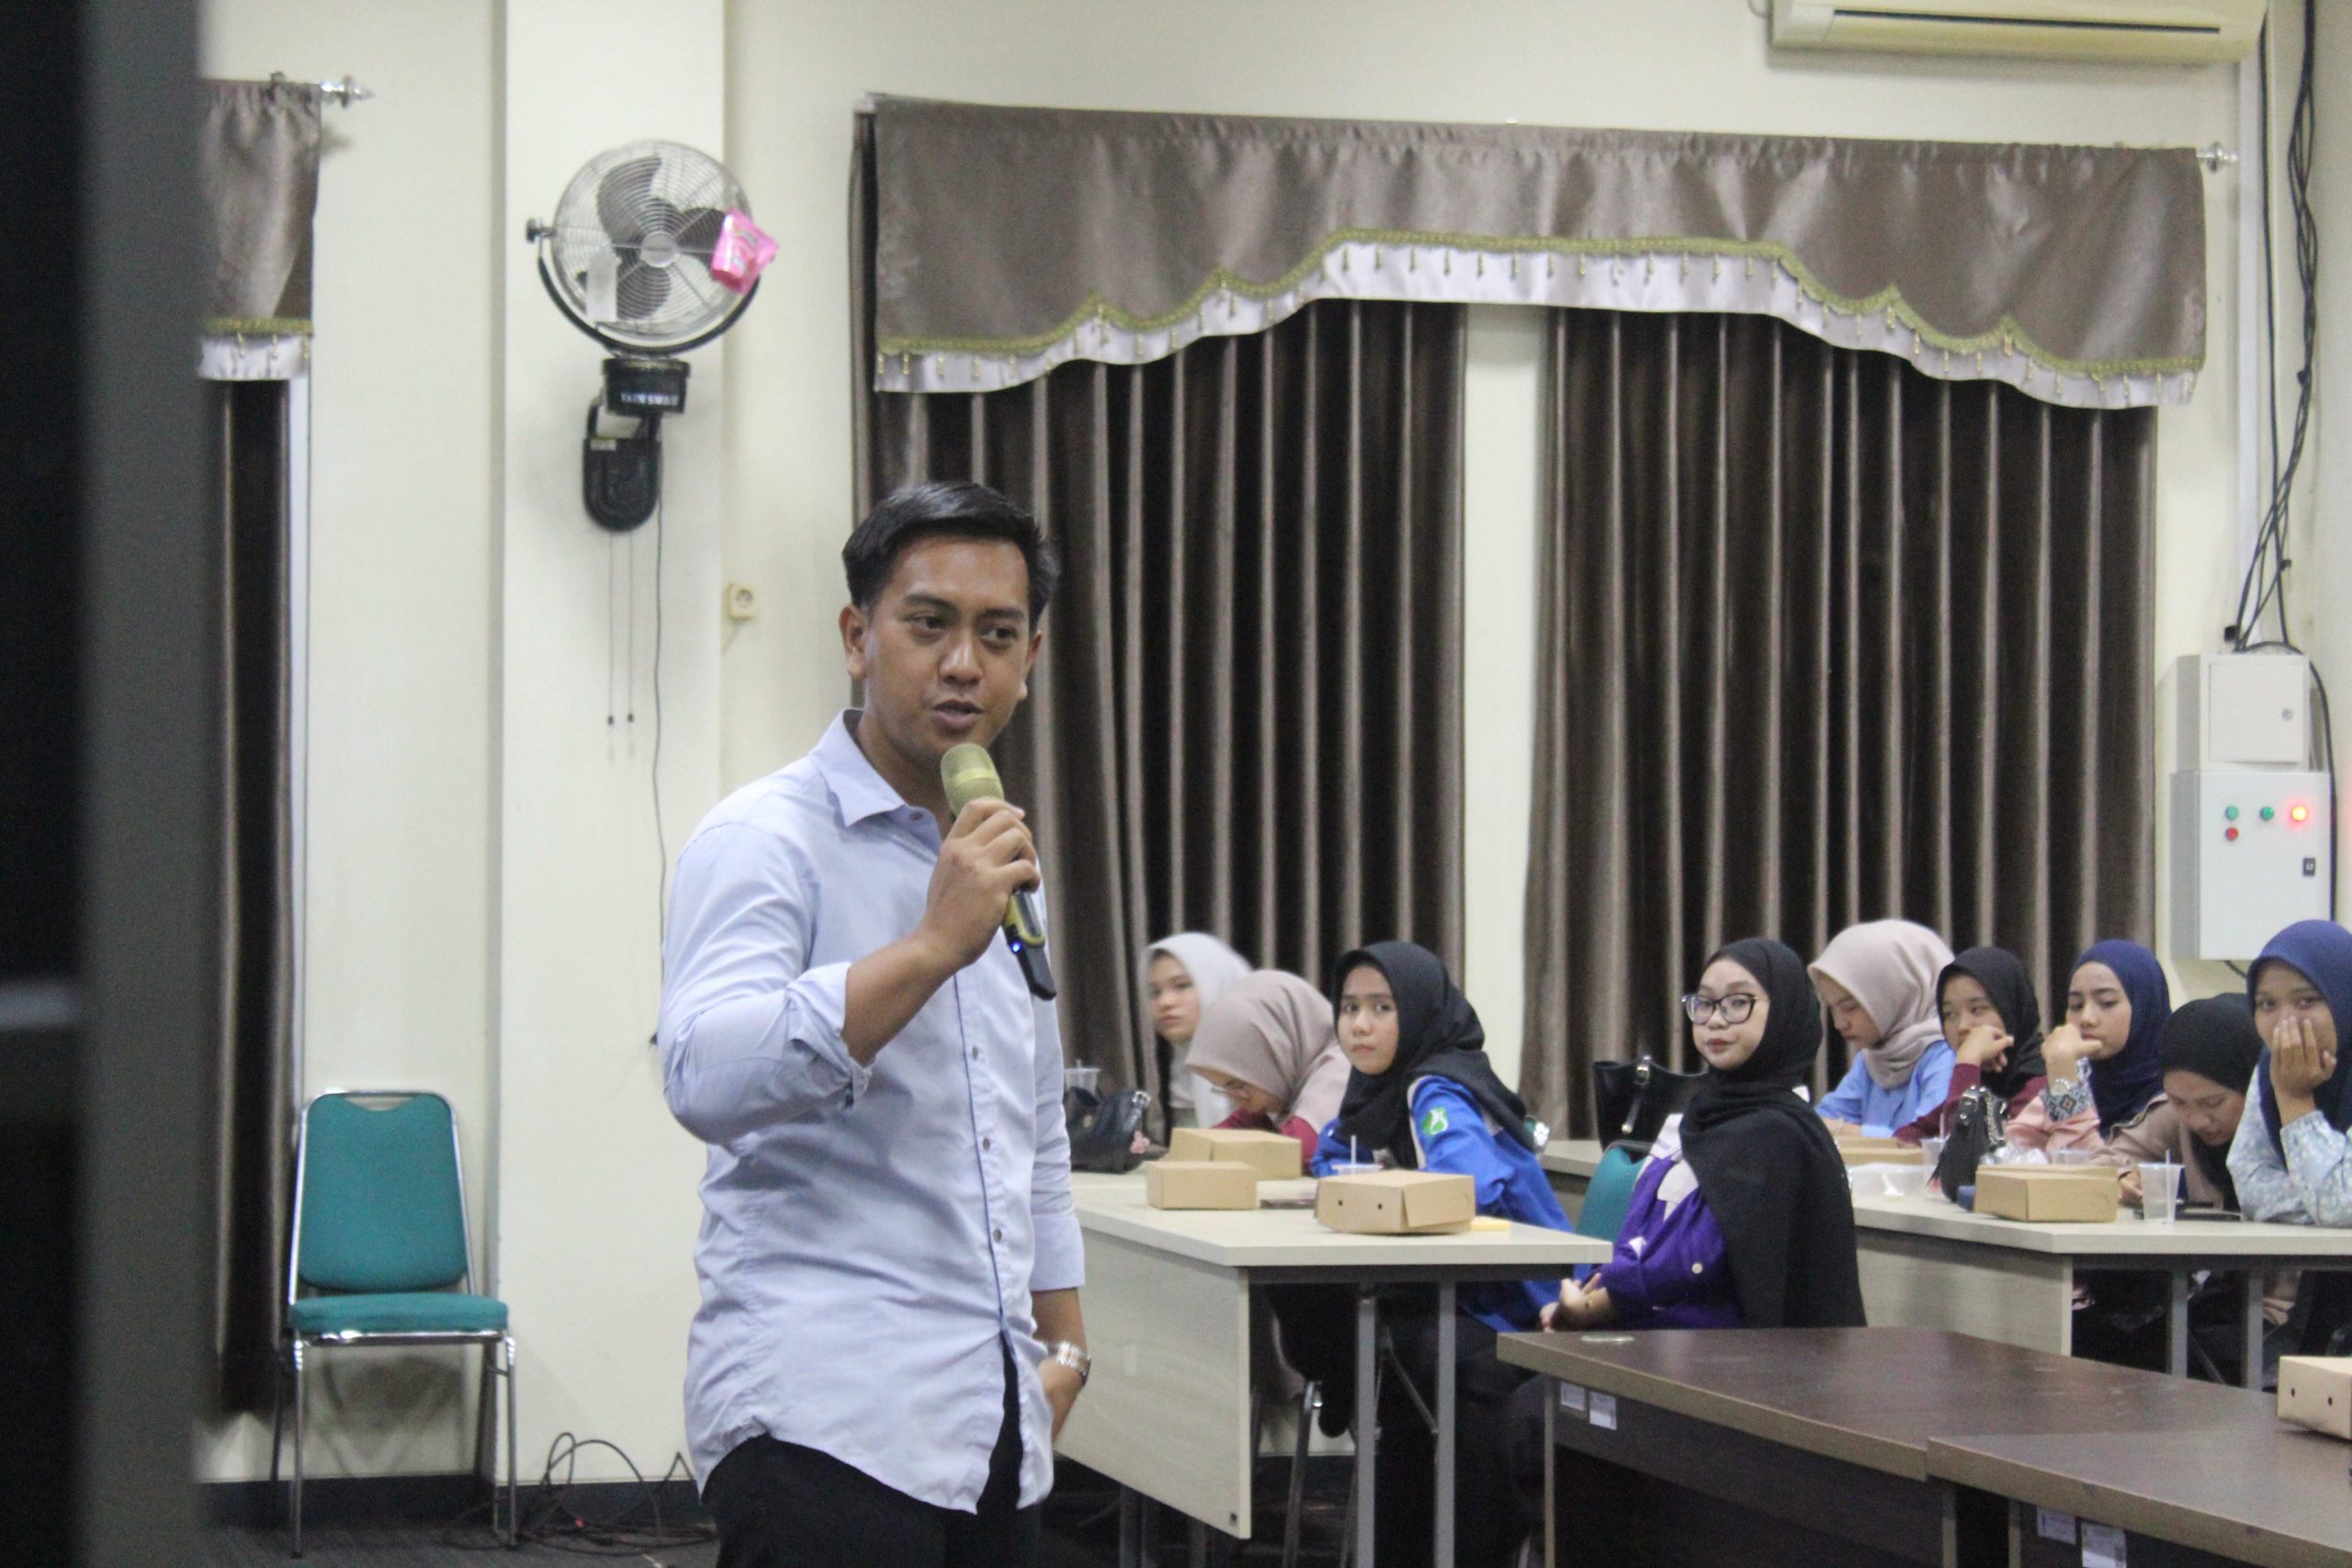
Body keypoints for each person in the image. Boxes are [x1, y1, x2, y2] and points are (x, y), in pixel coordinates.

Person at [658, 480, 1086, 1568]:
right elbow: (703, 1076)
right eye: (928, 624)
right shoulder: (763, 839)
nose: (963, 664)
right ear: (858, 638)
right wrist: (930, 947)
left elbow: (1030, 1137)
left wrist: (1066, 1348)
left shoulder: (997, 861)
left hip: (991, 1417)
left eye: (998, 635)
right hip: (822, 1415)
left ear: (1030, 660)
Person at [1287, 942, 1566, 1568]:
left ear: (1416, 1013)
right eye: (1350, 1007)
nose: (1360, 1025)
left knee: (1426, 1357)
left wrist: (1383, 1194)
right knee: (1324, 1307)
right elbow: (1333, 1158)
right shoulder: (1372, 1090)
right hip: (1449, 1290)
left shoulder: (1435, 1087)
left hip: (1520, 1303)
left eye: (1381, 1008)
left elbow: (1471, 1186)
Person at [1546, 938, 1866, 1333]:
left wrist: (1595, 1306)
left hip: (1720, 1354)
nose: (1715, 1020)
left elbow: (1691, 1259)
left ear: (1784, 1012)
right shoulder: (1702, 1116)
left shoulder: (1777, 1132)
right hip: (1653, 1331)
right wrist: (1587, 1293)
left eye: (1738, 1002)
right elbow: (1644, 1235)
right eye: (1705, 1003)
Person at [1895, 947, 2098, 1151]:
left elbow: (1968, 1151)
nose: (1962, 1026)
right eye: (1950, 1014)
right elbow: (1908, 1136)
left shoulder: (2045, 1082)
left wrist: (1968, 1060)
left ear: (2011, 1008)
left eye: (1977, 1009)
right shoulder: (1983, 1080)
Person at [2230, 919, 2352, 1229]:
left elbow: (2341, 1206)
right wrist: (2319, 1201)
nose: (2286, 1022)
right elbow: (2248, 1179)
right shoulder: (2273, 1064)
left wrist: (2294, 1100)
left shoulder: (2285, 1079)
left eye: (2306, 1001)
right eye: (2267, 1004)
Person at [1810, 919, 1958, 1138]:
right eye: (1831, 1008)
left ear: (1899, 992)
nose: (1839, 1023)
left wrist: (1839, 1129)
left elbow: (1930, 1140)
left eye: (1850, 1007)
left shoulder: (1948, 1054)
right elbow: (1823, 1119)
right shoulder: (1874, 1058)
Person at [1182, 970, 1350, 1160]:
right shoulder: (1285, 1085)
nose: (1237, 1100)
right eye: (1224, 1088)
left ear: (1276, 1052)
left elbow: (1299, 1150)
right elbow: (1227, 1132)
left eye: (1237, 1085)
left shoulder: (1342, 1071)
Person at [2042, 939, 2172, 1138]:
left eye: (2106, 1002)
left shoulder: (2174, 1099)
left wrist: (2064, 1085)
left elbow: (2077, 1156)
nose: (2086, 1018)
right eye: (2076, 1005)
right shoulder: (2074, 1072)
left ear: (2145, 1009)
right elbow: (2013, 1147)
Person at [1140, 933, 1250, 1136]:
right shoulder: (1175, 1073)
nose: (1165, 1002)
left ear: (1218, 984)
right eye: (1155, 992)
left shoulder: (1258, 1076)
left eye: (1182, 985)